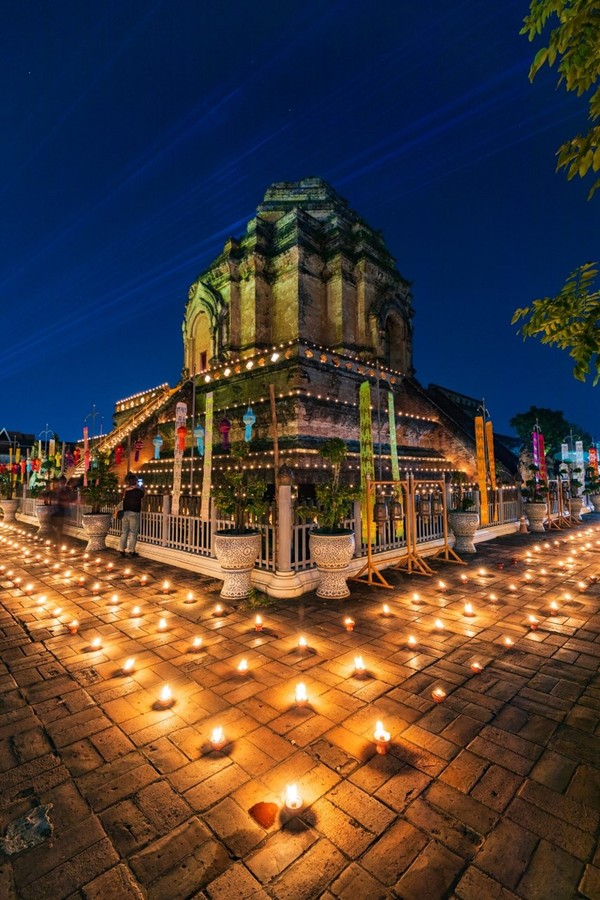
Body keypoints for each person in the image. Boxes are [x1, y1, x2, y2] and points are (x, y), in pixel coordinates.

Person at [119, 473, 145, 558]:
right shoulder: (138, 491)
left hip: (125, 513)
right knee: (133, 533)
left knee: (124, 532)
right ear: (135, 481)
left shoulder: (125, 490)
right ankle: (131, 551)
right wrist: (141, 487)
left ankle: (121, 549)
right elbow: (143, 494)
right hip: (134, 513)